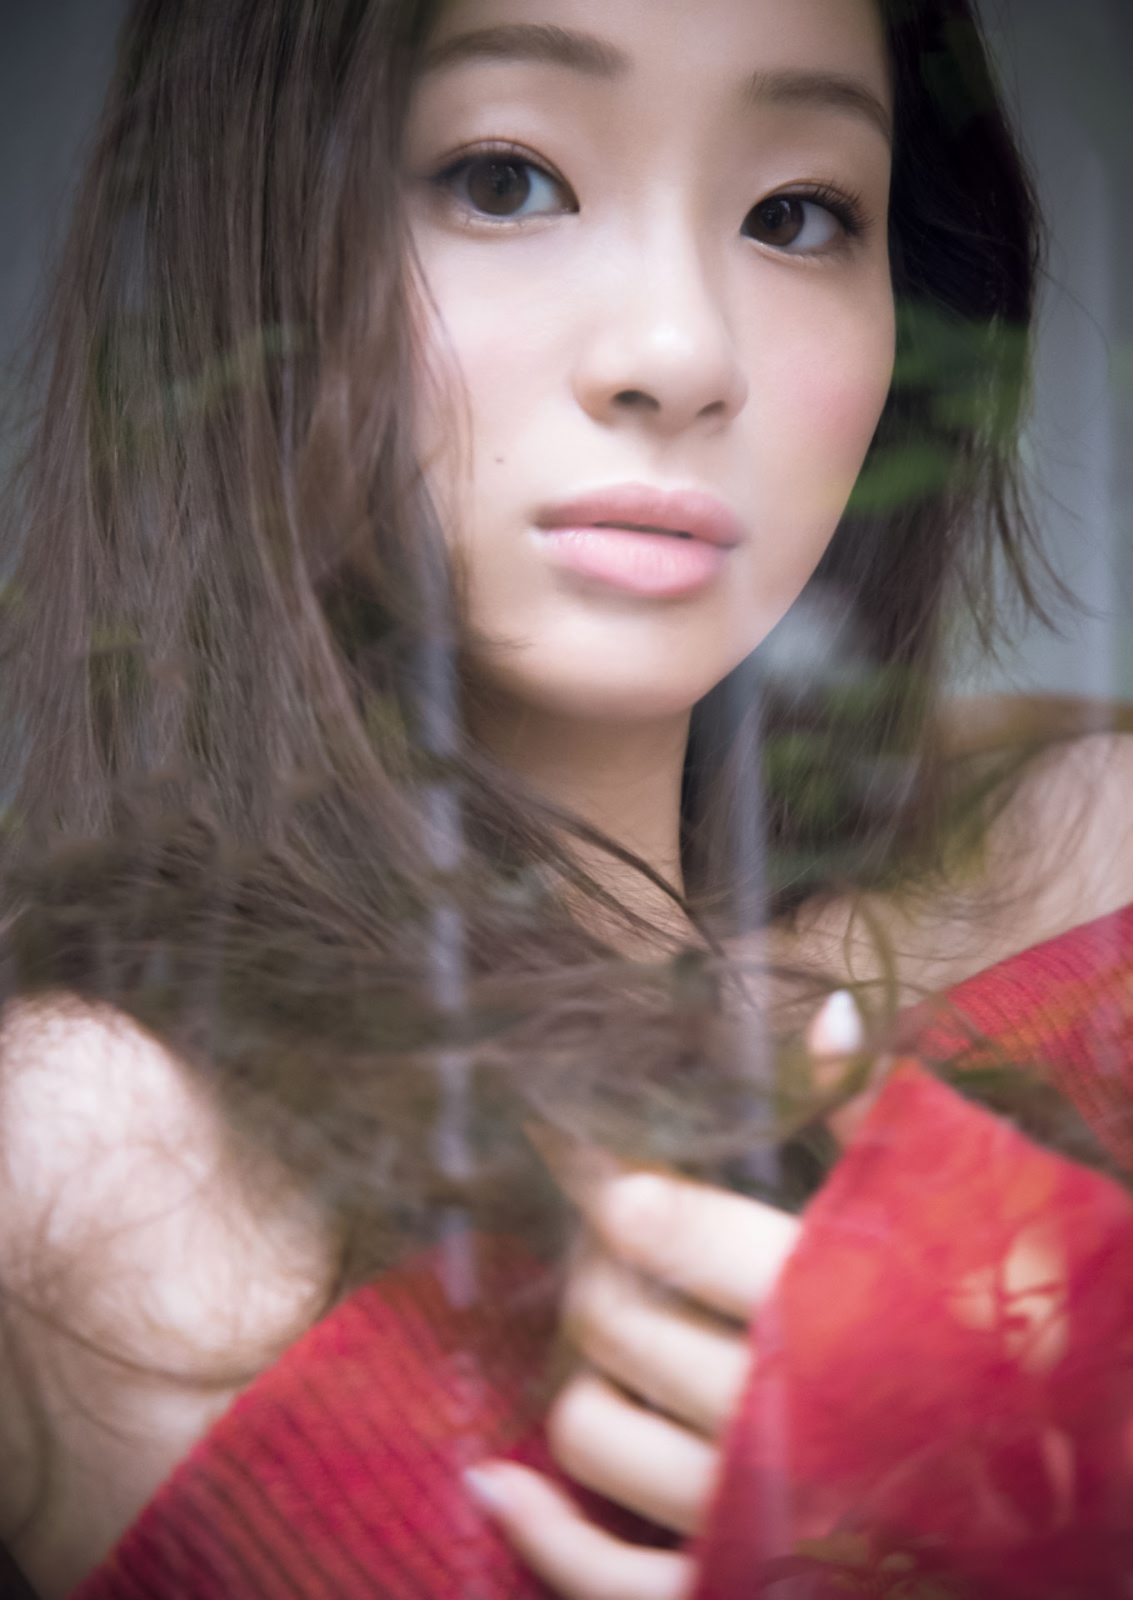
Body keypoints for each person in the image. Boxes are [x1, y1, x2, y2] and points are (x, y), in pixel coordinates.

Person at [1, 0, 1131, 1595]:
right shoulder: (108, 1150)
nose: (678, 354)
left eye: (795, 215)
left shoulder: (1087, 883)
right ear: (239, 254)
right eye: (503, 181)